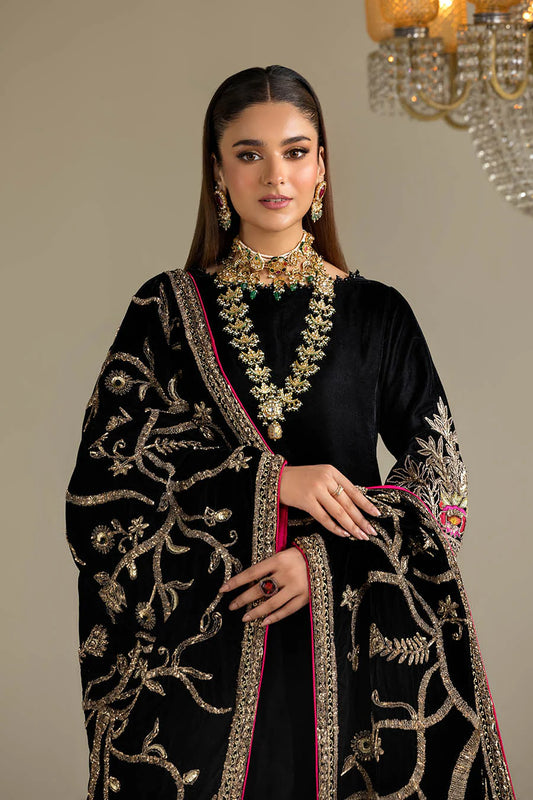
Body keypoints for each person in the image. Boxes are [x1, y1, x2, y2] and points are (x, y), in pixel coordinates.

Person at [65, 65, 516, 800]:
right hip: (206, 644)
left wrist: (325, 561)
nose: (275, 175)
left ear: (321, 167)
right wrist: (272, 482)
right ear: (218, 171)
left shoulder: (376, 314)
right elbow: (106, 482)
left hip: (346, 640)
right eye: (249, 154)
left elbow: (440, 483)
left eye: (296, 151)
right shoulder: (165, 312)